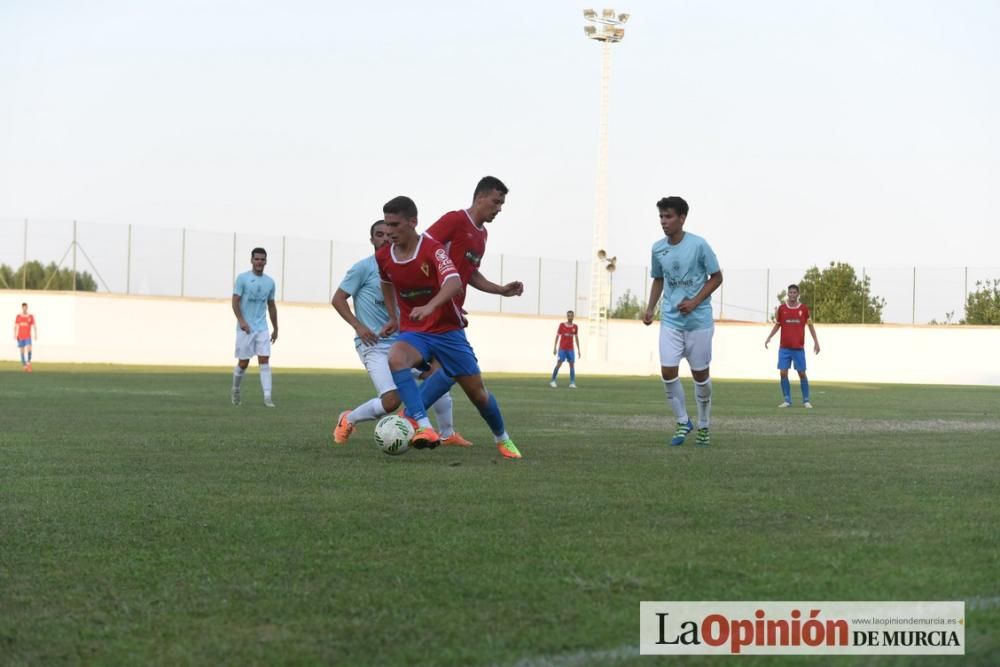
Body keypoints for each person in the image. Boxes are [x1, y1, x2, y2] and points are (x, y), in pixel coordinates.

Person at [376, 195, 521, 459]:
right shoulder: (384, 254)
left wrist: (431, 306)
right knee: (396, 358)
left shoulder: (432, 249)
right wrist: (394, 317)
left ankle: (503, 438)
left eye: (395, 225)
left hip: (447, 330)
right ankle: (424, 427)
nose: (389, 231)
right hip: (415, 331)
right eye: (387, 225)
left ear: (412, 222)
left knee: (478, 394)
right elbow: (386, 281)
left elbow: (455, 282)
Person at [331, 220, 472, 447]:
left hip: (406, 340)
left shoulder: (406, 265)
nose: (385, 238)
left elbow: (424, 295)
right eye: (379, 234)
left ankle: (447, 434)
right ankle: (349, 418)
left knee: (441, 374)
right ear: (372, 240)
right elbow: (338, 299)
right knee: (390, 402)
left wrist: (447, 308)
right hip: (374, 345)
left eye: (389, 234)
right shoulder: (362, 268)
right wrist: (359, 326)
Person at [406, 176, 524, 417]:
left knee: (446, 371)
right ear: (480, 198)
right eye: (495, 202)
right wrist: (437, 297)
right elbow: (422, 250)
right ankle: (407, 413)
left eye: (502, 204)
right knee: (451, 370)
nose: (499, 209)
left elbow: (470, 273)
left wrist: (500, 289)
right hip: (435, 308)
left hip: (450, 310)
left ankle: (409, 415)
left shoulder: (482, 235)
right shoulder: (455, 220)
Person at [643, 196, 723, 447]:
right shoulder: (658, 248)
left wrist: (695, 301)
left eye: (668, 216)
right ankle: (682, 421)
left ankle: (704, 425)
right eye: (661, 217)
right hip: (671, 321)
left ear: (682, 218)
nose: (664, 222)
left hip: (698, 322)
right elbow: (658, 279)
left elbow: (717, 277)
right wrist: (650, 307)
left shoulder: (699, 245)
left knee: (701, 376)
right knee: (667, 371)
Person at [231, 247, 278, 407]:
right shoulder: (242, 278)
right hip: (245, 328)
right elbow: (235, 301)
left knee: (264, 360)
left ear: (266, 261)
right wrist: (241, 321)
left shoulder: (270, 282)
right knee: (243, 363)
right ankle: (236, 389)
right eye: (257, 259)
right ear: (252, 260)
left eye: (262, 259)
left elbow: (271, 306)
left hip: (262, 327)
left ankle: (267, 397)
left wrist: (275, 328)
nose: (259, 262)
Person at [765, 284, 820, 408]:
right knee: (783, 373)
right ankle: (787, 400)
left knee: (802, 373)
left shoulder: (804, 309)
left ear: (798, 294)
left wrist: (816, 341)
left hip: (798, 348)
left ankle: (806, 400)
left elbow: (810, 326)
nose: (792, 295)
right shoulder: (782, 309)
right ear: (788, 294)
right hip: (784, 348)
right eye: (790, 292)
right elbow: (778, 324)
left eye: (795, 292)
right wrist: (769, 337)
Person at [549, 310, 581, 388]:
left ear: (573, 317)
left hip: (571, 349)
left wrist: (579, 350)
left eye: (571, 315)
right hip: (562, 348)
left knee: (572, 365)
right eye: (569, 315)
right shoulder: (562, 325)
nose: (570, 317)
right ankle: (553, 380)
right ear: (567, 316)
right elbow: (557, 336)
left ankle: (572, 382)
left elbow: (576, 338)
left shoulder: (575, 327)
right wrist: (555, 348)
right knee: (559, 363)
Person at [14, 302, 37, 372]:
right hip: (20, 336)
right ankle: (24, 365)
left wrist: (36, 334)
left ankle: (28, 362)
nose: (24, 308)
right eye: (23, 307)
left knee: (29, 349)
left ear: (27, 308)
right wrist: (15, 334)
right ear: (22, 308)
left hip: (28, 336)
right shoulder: (18, 316)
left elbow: (34, 326)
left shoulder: (30, 316)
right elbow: (16, 326)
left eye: (26, 307)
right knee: (22, 351)